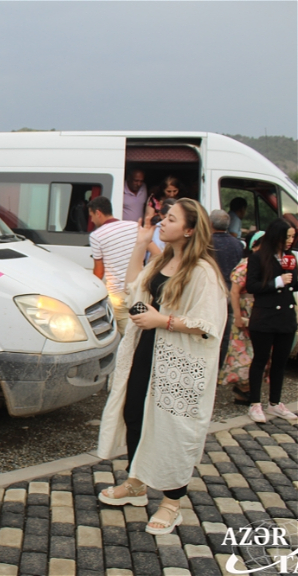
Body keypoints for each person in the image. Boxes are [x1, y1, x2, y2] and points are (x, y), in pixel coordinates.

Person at [97, 198, 227, 536]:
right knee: (134, 414)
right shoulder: (162, 261)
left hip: (180, 362)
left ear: (189, 230)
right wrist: (141, 244)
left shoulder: (203, 271)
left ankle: (172, 502)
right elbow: (134, 290)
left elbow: (208, 324)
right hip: (146, 351)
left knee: (174, 427)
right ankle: (136, 483)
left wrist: (163, 320)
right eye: (164, 217)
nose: (163, 223)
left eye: (171, 219)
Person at [245, 218, 298, 423]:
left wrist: (291, 277)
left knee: (280, 362)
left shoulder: (290, 258)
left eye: (293, 237)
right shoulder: (258, 257)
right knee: (260, 359)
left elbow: (294, 284)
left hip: (286, 317)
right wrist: (277, 281)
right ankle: (255, 403)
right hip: (265, 317)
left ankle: (275, 402)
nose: (291, 241)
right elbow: (252, 286)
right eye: (288, 236)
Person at [219, 231, 267, 403]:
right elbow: (234, 292)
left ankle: (247, 389)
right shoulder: (245, 265)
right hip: (245, 311)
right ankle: (243, 388)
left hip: (260, 312)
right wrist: (238, 316)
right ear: (254, 246)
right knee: (243, 352)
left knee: (256, 351)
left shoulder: (265, 263)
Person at [88, 196, 138, 335]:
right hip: (138, 289)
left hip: (118, 294)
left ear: (98, 213)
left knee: (127, 335)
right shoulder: (134, 226)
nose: (92, 220)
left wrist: (91, 288)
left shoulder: (97, 236)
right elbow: (156, 253)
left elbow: (99, 272)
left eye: (91, 216)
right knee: (140, 328)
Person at [210, 209, 244, 368]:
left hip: (212, 292)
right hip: (231, 293)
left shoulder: (206, 242)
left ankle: (208, 364)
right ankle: (219, 366)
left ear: (210, 223)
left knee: (208, 329)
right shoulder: (238, 244)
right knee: (225, 333)